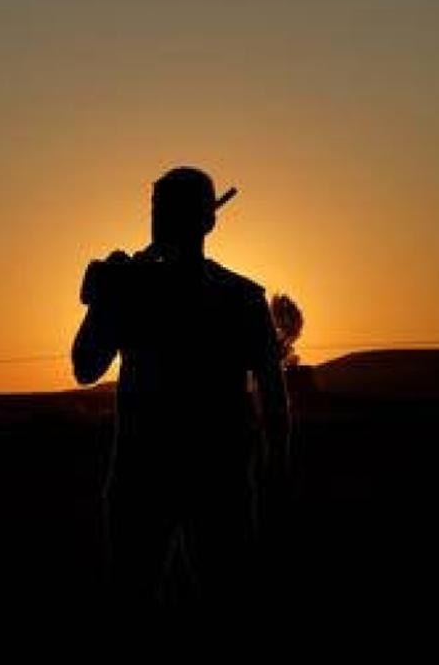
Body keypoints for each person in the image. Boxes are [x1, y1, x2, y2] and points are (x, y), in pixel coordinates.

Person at [72, 166, 291, 610]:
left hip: (209, 481)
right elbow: (85, 366)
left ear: (207, 221)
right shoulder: (141, 289)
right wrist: (105, 299)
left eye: (172, 210)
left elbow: (273, 395)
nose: (161, 220)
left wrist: (275, 471)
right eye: (158, 209)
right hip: (153, 481)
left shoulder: (239, 298)